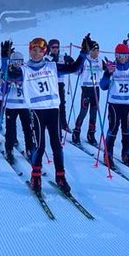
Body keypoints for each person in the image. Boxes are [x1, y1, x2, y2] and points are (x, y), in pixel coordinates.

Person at [19, 35, 88, 195]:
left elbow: (74, 68)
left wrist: (83, 52)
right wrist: (5, 58)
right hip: (37, 111)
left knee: (57, 145)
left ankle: (61, 176)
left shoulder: (52, 66)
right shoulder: (25, 69)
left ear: (44, 52)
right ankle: (36, 177)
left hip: (53, 110)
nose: (36, 53)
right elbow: (9, 76)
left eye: (39, 51)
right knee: (41, 145)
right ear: (29, 51)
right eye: (33, 50)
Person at [99, 43, 129, 169]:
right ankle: (108, 155)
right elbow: (103, 86)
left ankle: (126, 154)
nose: (122, 58)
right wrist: (107, 74)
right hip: (114, 104)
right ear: (116, 55)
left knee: (127, 130)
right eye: (119, 55)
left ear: (128, 56)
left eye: (125, 55)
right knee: (113, 128)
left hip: (128, 104)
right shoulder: (112, 67)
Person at [0, 44, 35, 165]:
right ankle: (9, 150)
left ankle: (30, 149)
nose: (17, 64)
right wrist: (5, 82)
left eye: (19, 61)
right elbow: (3, 90)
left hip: (24, 105)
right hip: (11, 106)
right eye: (15, 61)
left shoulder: (25, 71)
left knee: (28, 129)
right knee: (10, 129)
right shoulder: (8, 71)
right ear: (11, 62)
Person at [71, 40, 102, 145]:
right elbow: (75, 71)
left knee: (94, 113)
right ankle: (76, 132)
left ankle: (91, 134)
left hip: (96, 89)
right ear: (90, 51)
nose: (96, 53)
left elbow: (107, 70)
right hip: (86, 89)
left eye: (97, 50)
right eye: (94, 50)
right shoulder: (84, 60)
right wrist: (78, 69)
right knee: (83, 111)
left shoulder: (100, 60)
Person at [47, 39, 74, 133]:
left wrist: (70, 61)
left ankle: (63, 123)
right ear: (49, 48)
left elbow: (73, 67)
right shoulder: (47, 57)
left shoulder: (62, 57)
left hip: (60, 83)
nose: (55, 49)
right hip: (50, 84)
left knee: (62, 103)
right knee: (51, 104)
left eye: (57, 47)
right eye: (53, 47)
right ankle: (49, 122)